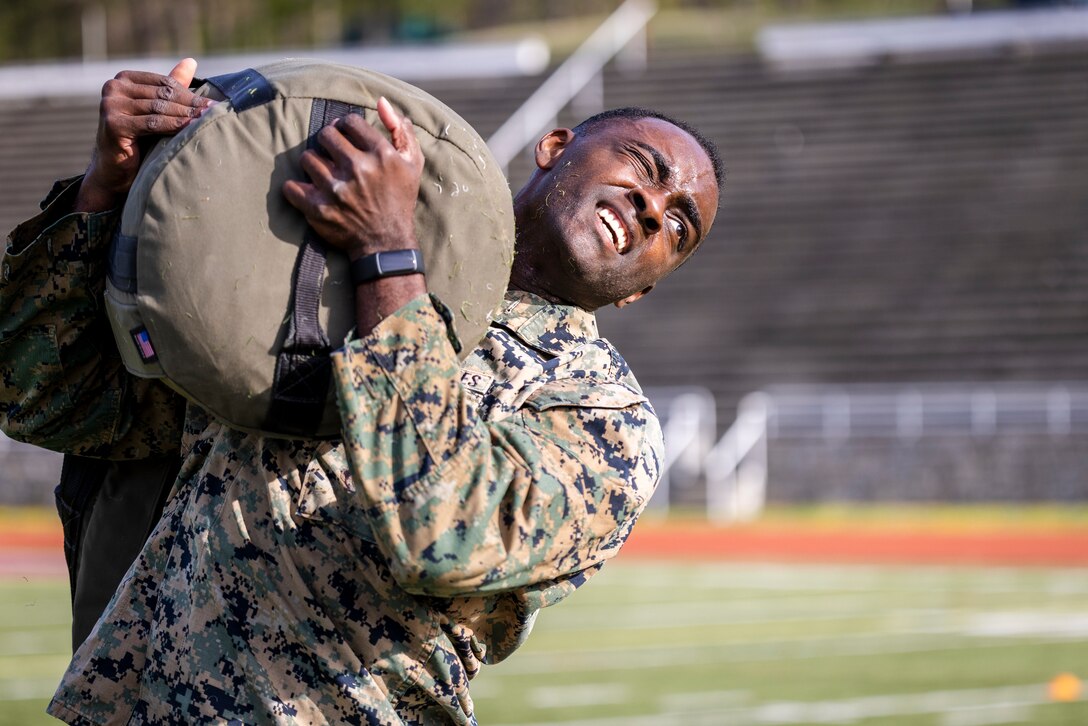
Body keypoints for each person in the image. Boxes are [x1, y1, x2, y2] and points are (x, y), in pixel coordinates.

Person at [1, 57, 722, 724]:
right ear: (555, 145)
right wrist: (105, 190)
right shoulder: (302, 268)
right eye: (644, 167)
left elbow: (441, 536)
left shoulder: (605, 418)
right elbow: (46, 399)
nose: (656, 208)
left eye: (679, 224)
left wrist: (385, 253)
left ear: (645, 289)